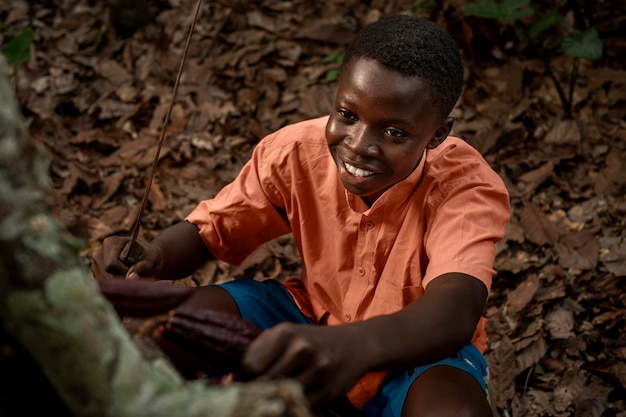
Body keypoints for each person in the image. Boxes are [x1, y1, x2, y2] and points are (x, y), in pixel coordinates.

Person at [92, 13, 510, 417]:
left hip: (416, 354)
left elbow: (456, 309)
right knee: (172, 330)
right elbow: (210, 231)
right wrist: (156, 255)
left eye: (394, 132)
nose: (358, 145)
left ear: (437, 134)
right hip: (309, 316)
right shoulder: (296, 152)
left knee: (454, 409)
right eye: (347, 115)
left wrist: (354, 344)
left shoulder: (464, 186)